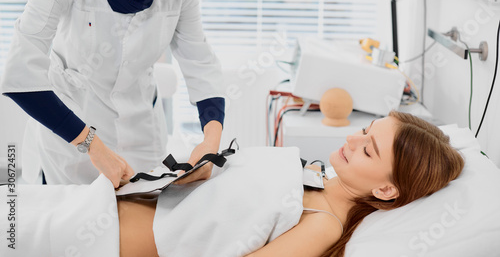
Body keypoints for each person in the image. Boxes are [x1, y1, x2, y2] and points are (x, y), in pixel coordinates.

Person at [0, 0, 225, 187]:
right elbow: (21, 74)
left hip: (142, 136)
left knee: (142, 218)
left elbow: (199, 61)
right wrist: (93, 146)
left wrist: (211, 143)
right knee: (77, 222)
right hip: (71, 139)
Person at [116, 111, 465, 257]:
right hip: (110, 201)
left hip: (103, 240)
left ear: (386, 190)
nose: (352, 140)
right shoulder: (315, 176)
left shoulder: (324, 223)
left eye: (368, 151)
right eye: (364, 131)